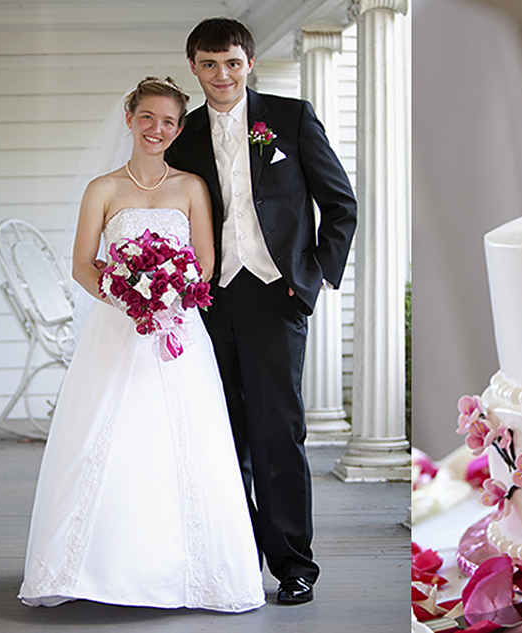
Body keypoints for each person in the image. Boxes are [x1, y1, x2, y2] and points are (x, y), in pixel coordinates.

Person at [18, 77, 265, 612]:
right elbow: (84, 264)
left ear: (179, 129)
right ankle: (90, 568)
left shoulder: (192, 187)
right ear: (130, 118)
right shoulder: (102, 189)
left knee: (185, 440)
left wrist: (171, 292)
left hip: (178, 330)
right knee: (107, 438)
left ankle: (189, 573)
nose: (158, 129)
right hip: (118, 327)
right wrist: (126, 295)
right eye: (148, 118)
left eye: (169, 121)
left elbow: (205, 262)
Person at [166, 18, 357, 606]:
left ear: (249, 62)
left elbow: (340, 205)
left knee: (281, 431)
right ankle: (237, 556)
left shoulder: (291, 117)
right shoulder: (185, 135)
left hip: (277, 295)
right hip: (211, 297)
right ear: (194, 68)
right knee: (224, 432)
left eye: (231, 62)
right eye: (208, 64)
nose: (221, 75)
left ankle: (294, 564)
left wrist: (312, 281)